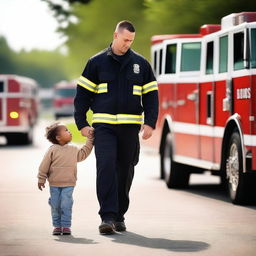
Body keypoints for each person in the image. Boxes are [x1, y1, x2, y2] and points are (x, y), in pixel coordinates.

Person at [74, 20, 158, 235]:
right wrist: (82, 124)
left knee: (126, 170)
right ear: (115, 36)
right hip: (104, 128)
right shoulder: (96, 63)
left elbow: (151, 96)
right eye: (124, 40)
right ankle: (107, 216)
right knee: (106, 167)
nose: (127, 44)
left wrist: (150, 123)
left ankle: (119, 215)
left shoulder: (141, 64)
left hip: (130, 128)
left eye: (131, 41)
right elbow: (82, 96)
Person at [37, 122, 94, 235]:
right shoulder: (52, 150)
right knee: (56, 205)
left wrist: (90, 139)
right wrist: (41, 179)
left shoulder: (73, 149)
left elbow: (83, 153)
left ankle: (66, 225)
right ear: (58, 137)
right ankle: (57, 226)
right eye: (66, 130)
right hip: (54, 184)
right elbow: (44, 165)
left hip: (69, 183)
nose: (70, 131)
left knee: (66, 204)